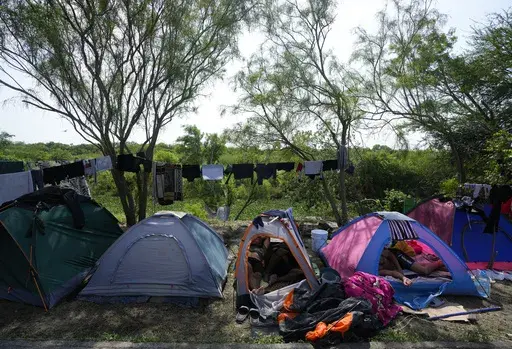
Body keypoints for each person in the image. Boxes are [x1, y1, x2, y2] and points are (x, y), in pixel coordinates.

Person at [379, 247, 445, 287]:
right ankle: (443, 267)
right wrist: (404, 278)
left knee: (424, 271)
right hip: (397, 265)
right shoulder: (378, 269)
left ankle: (440, 262)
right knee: (421, 267)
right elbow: (392, 273)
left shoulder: (379, 254)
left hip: (397, 256)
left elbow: (390, 254)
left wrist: (399, 268)